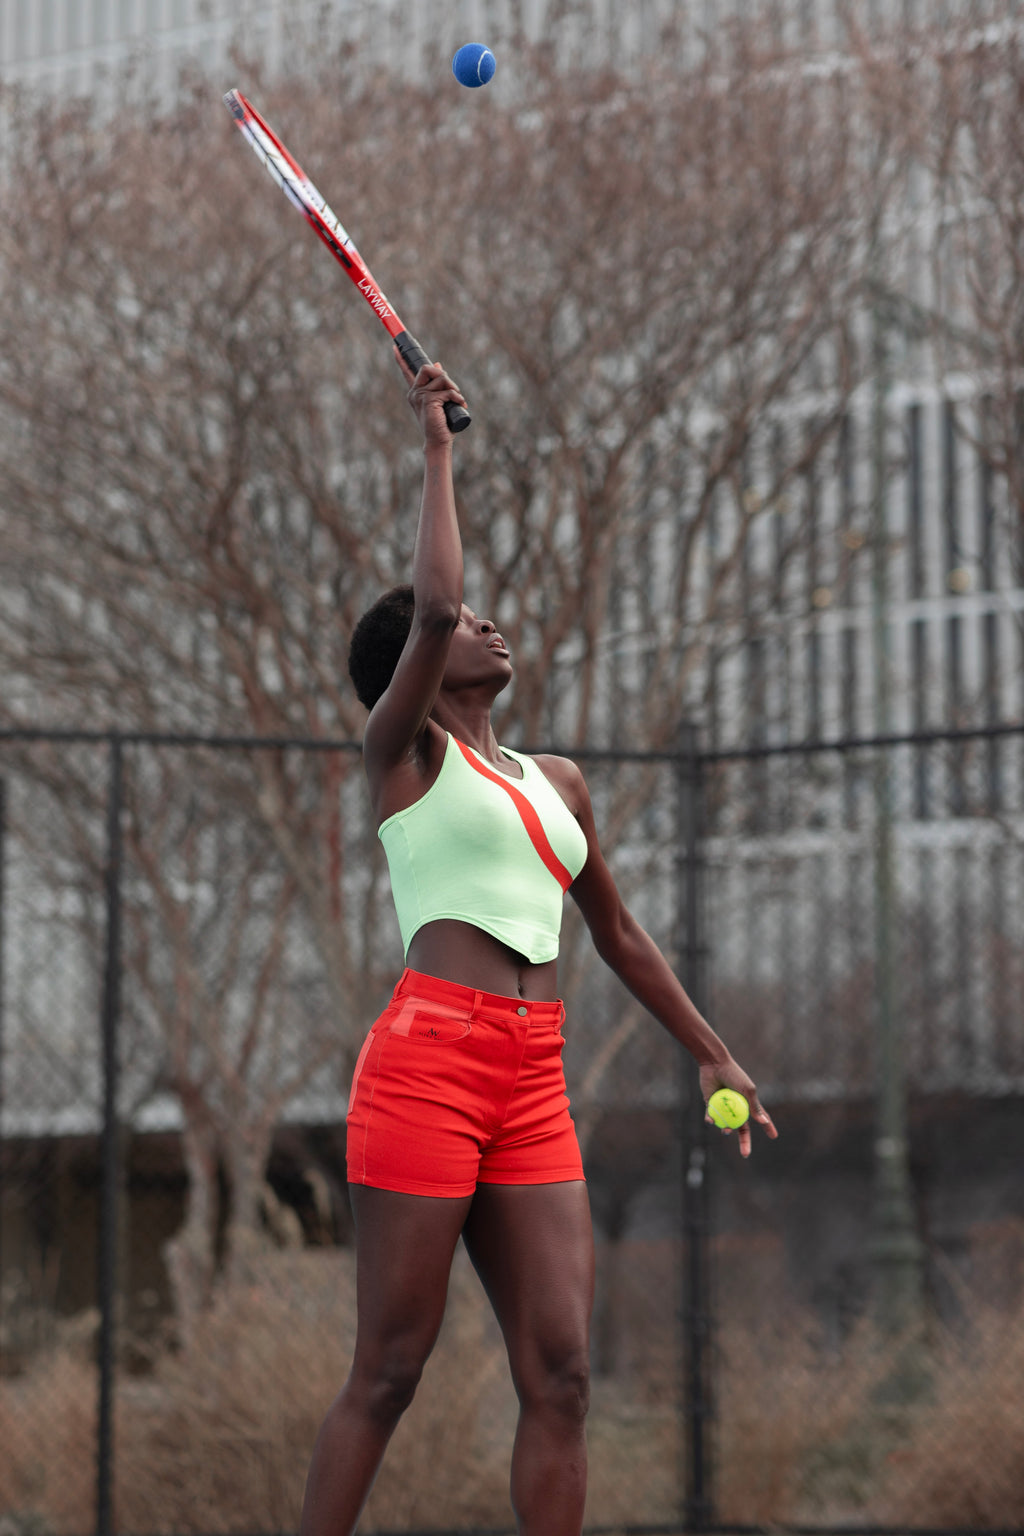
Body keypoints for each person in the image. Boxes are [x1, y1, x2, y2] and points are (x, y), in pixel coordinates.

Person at [299, 358, 777, 1536]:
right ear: (415, 670)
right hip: (427, 1064)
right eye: (464, 624)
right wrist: (435, 446)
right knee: (390, 1371)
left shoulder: (554, 780)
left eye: (479, 619)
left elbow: (615, 931)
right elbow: (436, 601)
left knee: (561, 1376)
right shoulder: (404, 758)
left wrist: (711, 1052)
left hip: (532, 1075)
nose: (485, 624)